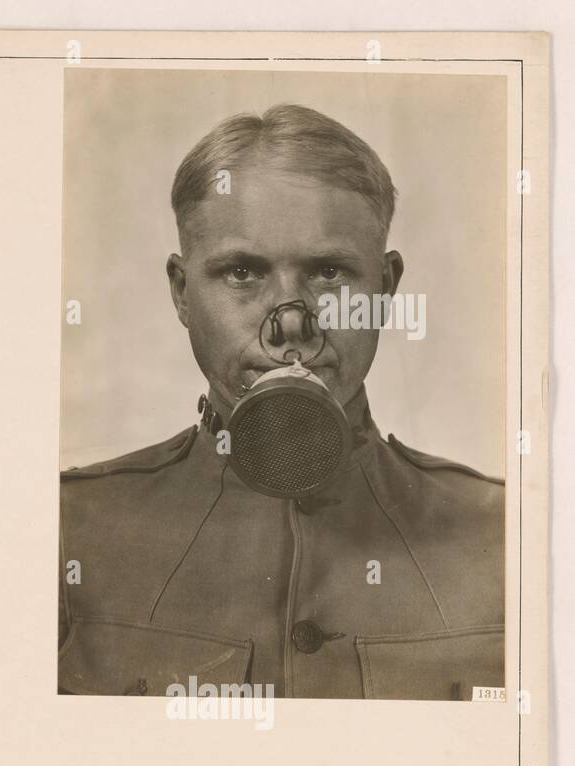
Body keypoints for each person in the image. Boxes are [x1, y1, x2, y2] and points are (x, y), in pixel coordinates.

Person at [58, 104, 504, 701]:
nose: (290, 324)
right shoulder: (71, 534)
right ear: (183, 293)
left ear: (385, 289)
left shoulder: (506, 537)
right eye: (242, 272)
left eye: (328, 272)